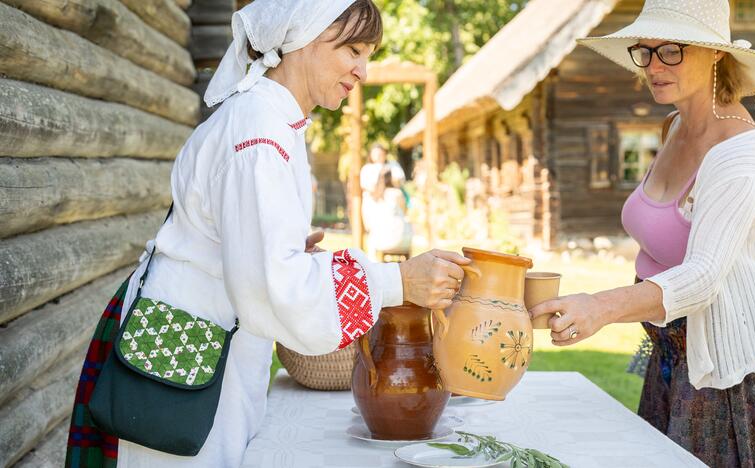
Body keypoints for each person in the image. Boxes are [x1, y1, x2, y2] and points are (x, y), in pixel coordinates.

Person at [66, 1, 470, 467]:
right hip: (179, 353)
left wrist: (286, 250)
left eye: (369, 53)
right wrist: (399, 282)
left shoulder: (274, 122)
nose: (363, 69)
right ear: (301, 39)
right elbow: (274, 285)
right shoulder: (257, 133)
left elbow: (246, 249)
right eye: (353, 49)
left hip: (201, 340)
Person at [530, 0, 755, 466]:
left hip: (724, 374)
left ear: (716, 54)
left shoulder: (740, 153)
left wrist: (599, 306)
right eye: (646, 52)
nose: (654, 66)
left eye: (672, 51)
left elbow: (702, 278)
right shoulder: (673, 125)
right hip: (670, 355)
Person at [366, 168, 413, 259]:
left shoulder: (375, 197)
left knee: (372, 237)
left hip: (382, 240)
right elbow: (405, 212)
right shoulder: (397, 193)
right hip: (402, 240)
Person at [360, 142, 405, 227]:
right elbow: (367, 187)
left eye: (380, 153)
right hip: (373, 204)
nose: (378, 155)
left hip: (392, 205)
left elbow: (400, 181)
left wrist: (388, 178)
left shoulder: (393, 165)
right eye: (375, 153)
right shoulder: (367, 168)